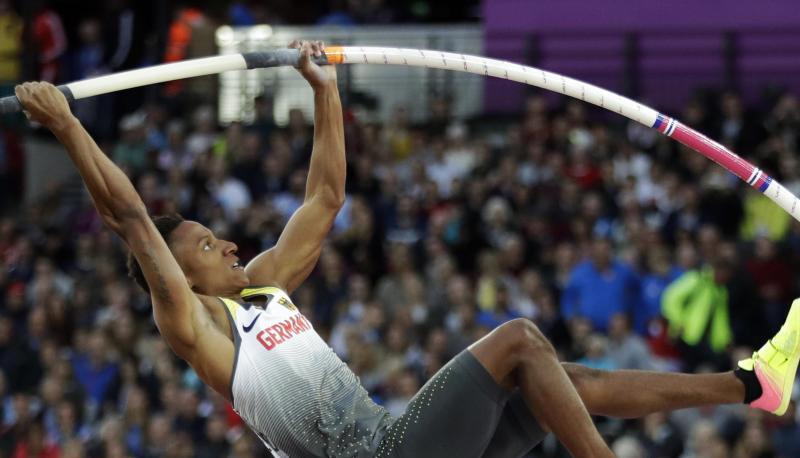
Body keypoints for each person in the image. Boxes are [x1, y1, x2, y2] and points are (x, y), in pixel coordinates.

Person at [15, 40, 800, 458]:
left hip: (401, 442)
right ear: (175, 273)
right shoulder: (196, 327)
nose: (222, 241)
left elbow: (324, 199)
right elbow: (131, 219)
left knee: (556, 376)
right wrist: (69, 126)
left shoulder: (263, 288)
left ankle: (751, 387)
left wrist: (325, 95)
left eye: (213, 234)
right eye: (202, 244)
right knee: (520, 340)